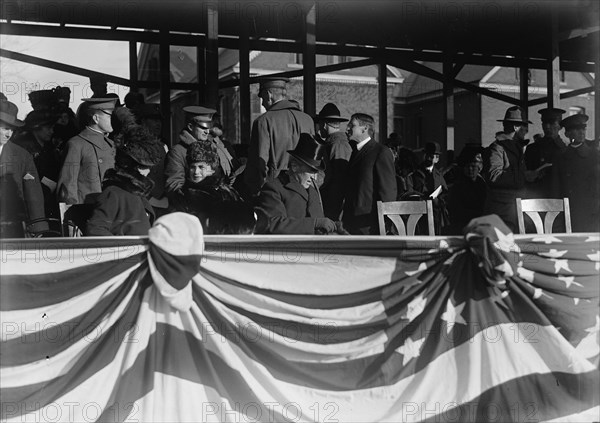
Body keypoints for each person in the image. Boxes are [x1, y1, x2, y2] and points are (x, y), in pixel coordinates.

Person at [255, 133, 342, 235]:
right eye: (310, 171)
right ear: (295, 166)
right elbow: (273, 224)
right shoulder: (274, 188)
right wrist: (314, 223)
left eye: (316, 173)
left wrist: (333, 227)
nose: (313, 177)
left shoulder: (313, 192)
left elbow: (320, 226)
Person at [86, 125, 163, 236]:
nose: (148, 172)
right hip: (125, 251)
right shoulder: (113, 193)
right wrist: (120, 250)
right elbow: (95, 229)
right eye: (143, 167)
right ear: (131, 166)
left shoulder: (137, 192)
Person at [244, 76, 314, 196]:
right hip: (305, 189)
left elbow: (259, 163)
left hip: (276, 190)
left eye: (262, 98)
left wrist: (257, 190)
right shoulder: (307, 120)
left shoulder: (263, 121)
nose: (263, 103)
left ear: (269, 94)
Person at [483, 106, 538, 233]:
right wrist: (524, 176)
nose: (526, 131)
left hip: (514, 207)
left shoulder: (516, 147)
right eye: (524, 127)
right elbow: (494, 176)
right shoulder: (497, 148)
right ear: (515, 127)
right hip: (502, 210)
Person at [169, 141, 243, 233]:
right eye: (192, 167)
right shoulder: (183, 195)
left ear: (212, 169)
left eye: (201, 167)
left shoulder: (225, 193)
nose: (196, 172)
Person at [342, 113, 397, 235]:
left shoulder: (381, 152)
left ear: (365, 128)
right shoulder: (356, 152)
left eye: (352, 125)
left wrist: (386, 225)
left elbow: (388, 193)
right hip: (352, 225)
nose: (347, 128)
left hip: (370, 227)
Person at [57, 98, 117, 205]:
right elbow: (67, 186)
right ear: (96, 118)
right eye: (109, 116)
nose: (113, 120)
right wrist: (72, 217)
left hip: (110, 211)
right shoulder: (76, 144)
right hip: (86, 212)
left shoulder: (112, 145)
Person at [0, 100, 46, 237]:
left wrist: (39, 229)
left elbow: (33, 195)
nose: (9, 134)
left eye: (12, 129)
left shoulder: (22, 156)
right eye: (4, 128)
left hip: (10, 229)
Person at [165, 106, 235, 195]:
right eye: (203, 128)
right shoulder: (177, 152)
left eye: (208, 128)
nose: (207, 132)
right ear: (190, 127)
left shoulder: (212, 147)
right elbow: (174, 185)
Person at [553, 113, 600, 232]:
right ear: (567, 134)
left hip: (591, 214)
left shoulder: (594, 155)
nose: (582, 132)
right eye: (576, 129)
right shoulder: (560, 157)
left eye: (583, 129)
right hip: (567, 213)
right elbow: (556, 188)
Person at [13, 109, 61, 219]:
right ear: (36, 127)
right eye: (48, 128)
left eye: (52, 128)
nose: (52, 131)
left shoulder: (48, 147)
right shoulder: (25, 149)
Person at [314, 103, 352, 220]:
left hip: (334, 203)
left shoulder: (337, 144)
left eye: (320, 125)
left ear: (324, 124)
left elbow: (339, 179)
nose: (319, 129)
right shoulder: (334, 143)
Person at [524, 107, 567, 198]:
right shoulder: (532, 149)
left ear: (560, 126)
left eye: (551, 123)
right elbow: (524, 173)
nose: (547, 126)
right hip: (535, 199)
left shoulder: (566, 150)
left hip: (558, 199)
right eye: (544, 123)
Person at [446, 145, 487, 234]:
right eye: (467, 166)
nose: (470, 169)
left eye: (473, 166)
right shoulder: (458, 186)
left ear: (479, 168)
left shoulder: (482, 184)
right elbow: (457, 213)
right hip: (463, 228)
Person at [410, 142, 449, 234]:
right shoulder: (415, 174)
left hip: (436, 215)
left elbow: (445, 191)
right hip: (419, 215)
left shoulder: (439, 175)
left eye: (432, 157)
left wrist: (439, 197)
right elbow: (410, 192)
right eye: (427, 155)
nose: (428, 159)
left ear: (437, 159)